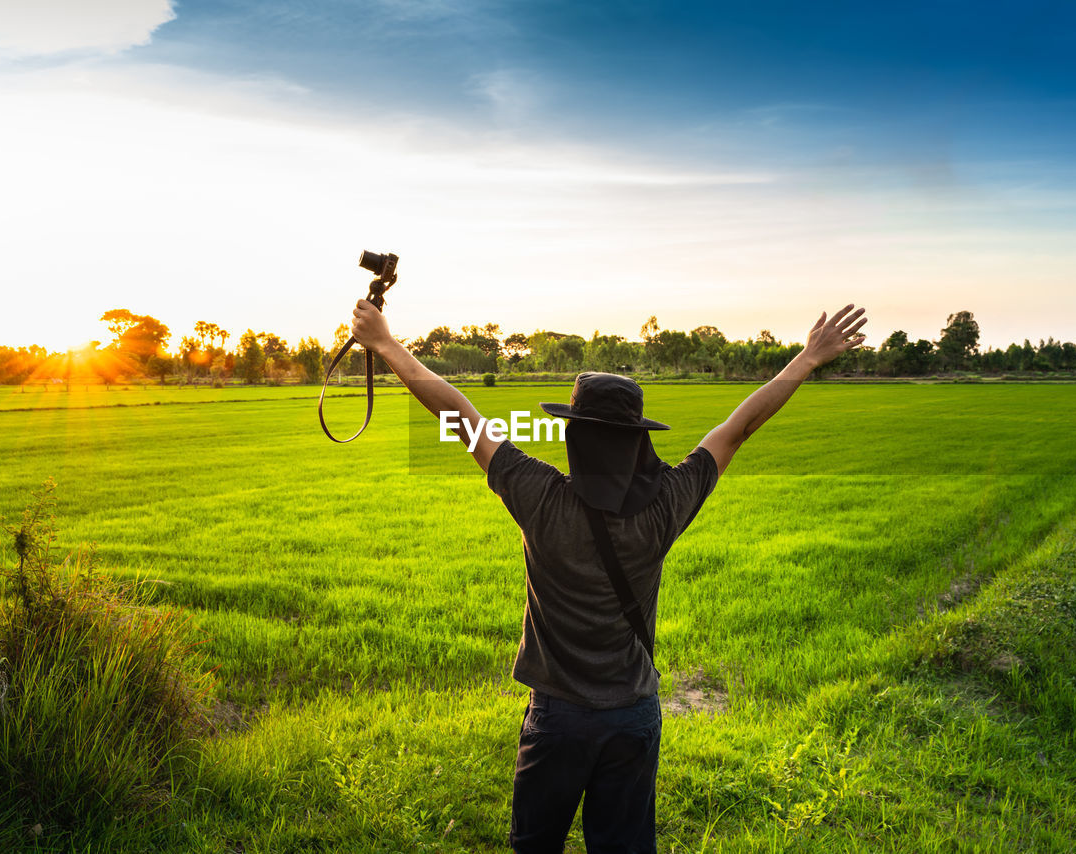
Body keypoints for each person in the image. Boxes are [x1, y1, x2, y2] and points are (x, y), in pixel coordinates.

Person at [350, 301, 867, 852]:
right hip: (633, 715)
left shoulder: (540, 494)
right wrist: (807, 358)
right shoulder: (666, 503)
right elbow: (737, 429)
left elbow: (458, 415)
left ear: (574, 434)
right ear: (636, 440)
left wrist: (384, 344)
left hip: (558, 716)